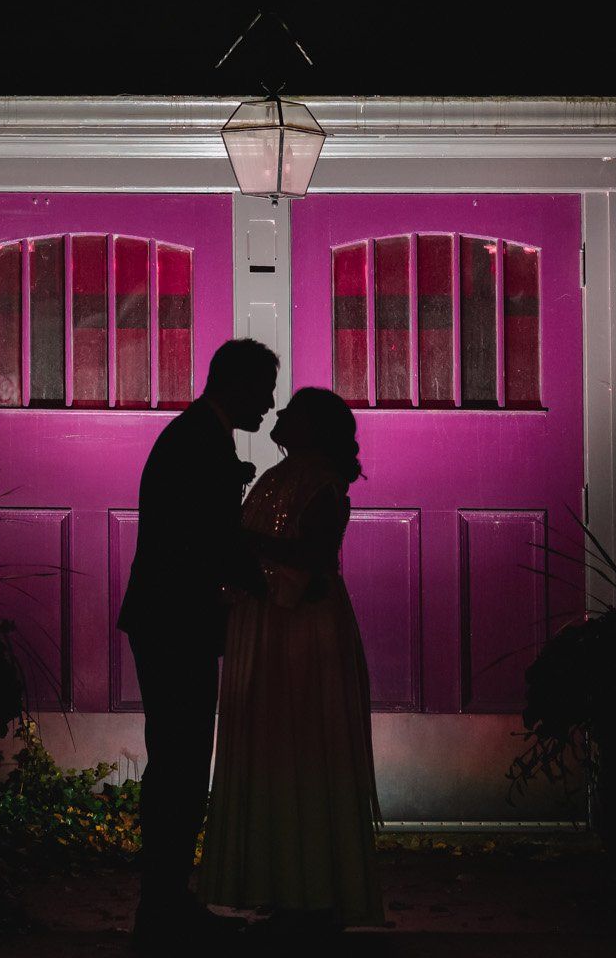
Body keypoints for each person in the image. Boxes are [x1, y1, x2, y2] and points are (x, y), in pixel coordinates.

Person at [198, 386, 384, 939]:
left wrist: (239, 538)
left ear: (315, 427)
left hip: (302, 630)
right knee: (275, 746)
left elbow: (316, 556)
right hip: (272, 621)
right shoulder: (276, 479)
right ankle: (285, 884)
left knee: (304, 742)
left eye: (293, 411)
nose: (279, 414)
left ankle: (315, 890)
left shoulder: (321, 483)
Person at [118, 336, 280, 947]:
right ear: (236, 384)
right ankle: (162, 906)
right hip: (174, 623)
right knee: (180, 765)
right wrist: (267, 587)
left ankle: (164, 899)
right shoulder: (198, 441)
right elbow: (205, 540)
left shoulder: (196, 436)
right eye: (263, 389)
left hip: (167, 620)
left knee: (178, 762)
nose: (269, 403)